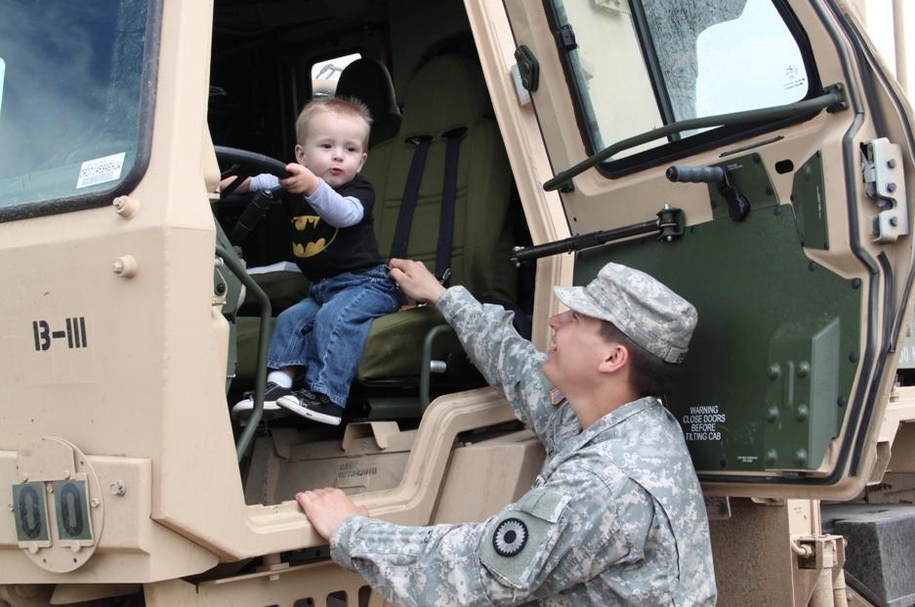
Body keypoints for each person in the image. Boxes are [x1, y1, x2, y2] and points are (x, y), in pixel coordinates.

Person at [296, 258, 717, 604]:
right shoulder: (621, 419)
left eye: (574, 318)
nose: (554, 321)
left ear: (612, 357)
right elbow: (517, 368)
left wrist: (352, 532)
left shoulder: (605, 482)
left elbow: (473, 575)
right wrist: (445, 298)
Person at [227, 96, 400, 425]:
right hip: (323, 288)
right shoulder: (296, 186)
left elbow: (345, 215)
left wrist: (314, 187)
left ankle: (326, 396)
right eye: (326, 146)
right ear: (300, 155)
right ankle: (277, 388)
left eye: (350, 150)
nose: (338, 156)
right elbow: (266, 181)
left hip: (369, 283)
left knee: (333, 318)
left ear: (361, 161)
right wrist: (232, 185)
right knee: (291, 319)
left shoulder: (359, 189)